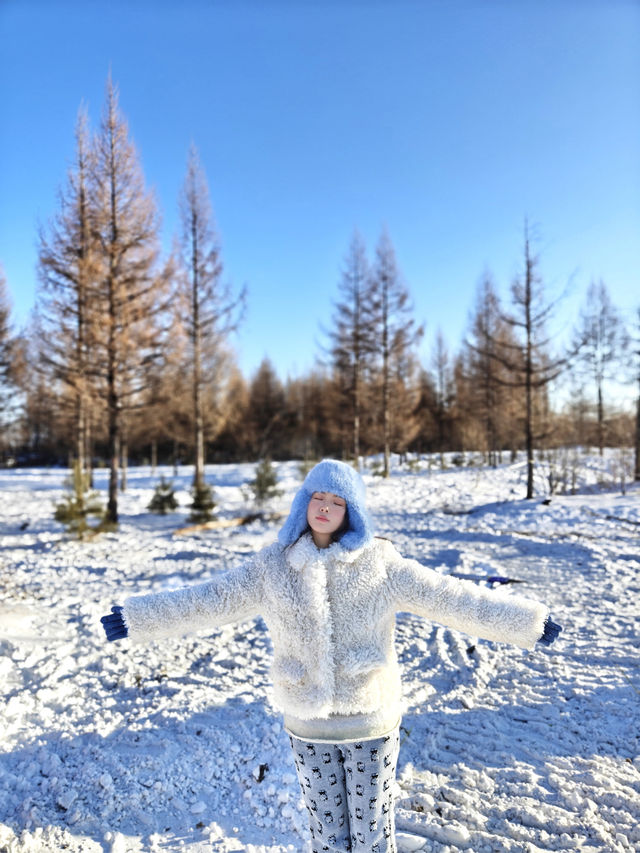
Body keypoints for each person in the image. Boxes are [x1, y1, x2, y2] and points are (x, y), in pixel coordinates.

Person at [101, 459, 561, 853]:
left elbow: (454, 598)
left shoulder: (382, 565)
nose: (325, 507)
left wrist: (528, 623)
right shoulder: (272, 566)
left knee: (372, 836)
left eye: (337, 501)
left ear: (352, 511)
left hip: (370, 724)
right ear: (304, 503)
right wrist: (136, 618)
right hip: (308, 725)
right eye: (317, 497)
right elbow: (207, 599)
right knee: (327, 836)